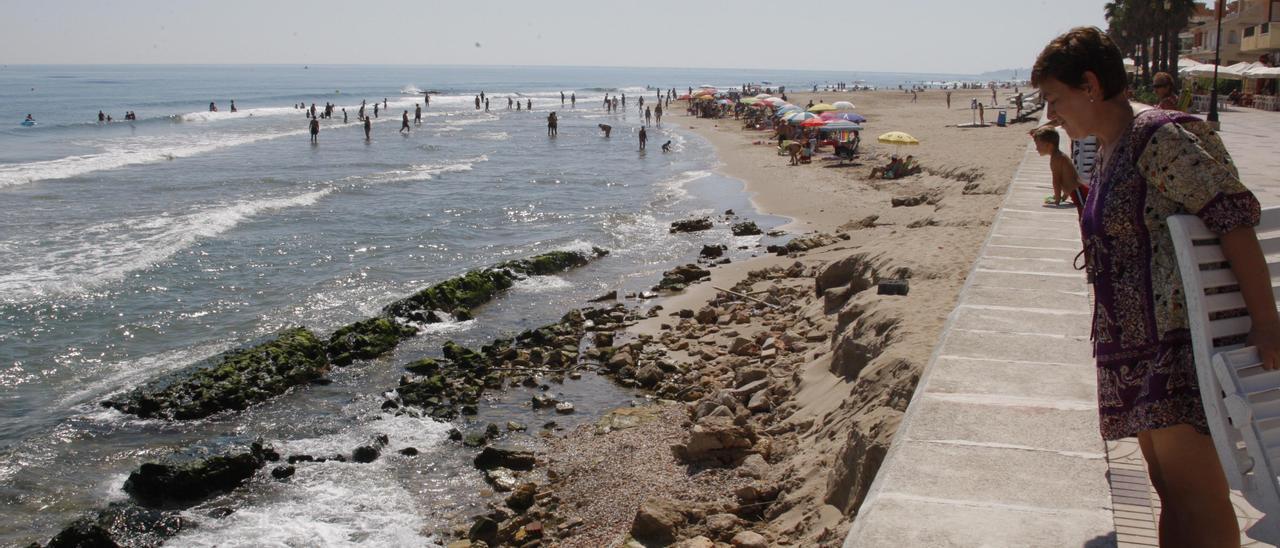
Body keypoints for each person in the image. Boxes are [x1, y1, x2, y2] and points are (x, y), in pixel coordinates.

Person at [1033, 26, 1276, 547]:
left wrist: (1267, 322)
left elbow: (1232, 217)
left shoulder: (1159, 136)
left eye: (1055, 98)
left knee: (1194, 491)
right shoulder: (1112, 147)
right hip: (1136, 350)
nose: (1051, 114)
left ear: (1091, 85)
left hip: (1175, 348)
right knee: (1168, 488)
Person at [1030, 124, 1088, 212]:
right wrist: (1064, 197)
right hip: (1078, 192)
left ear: (1048, 145)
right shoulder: (1059, 156)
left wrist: (1057, 200)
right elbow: (1067, 180)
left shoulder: (1056, 159)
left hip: (1079, 193)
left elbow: (1056, 181)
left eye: (1038, 145)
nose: (1036, 148)